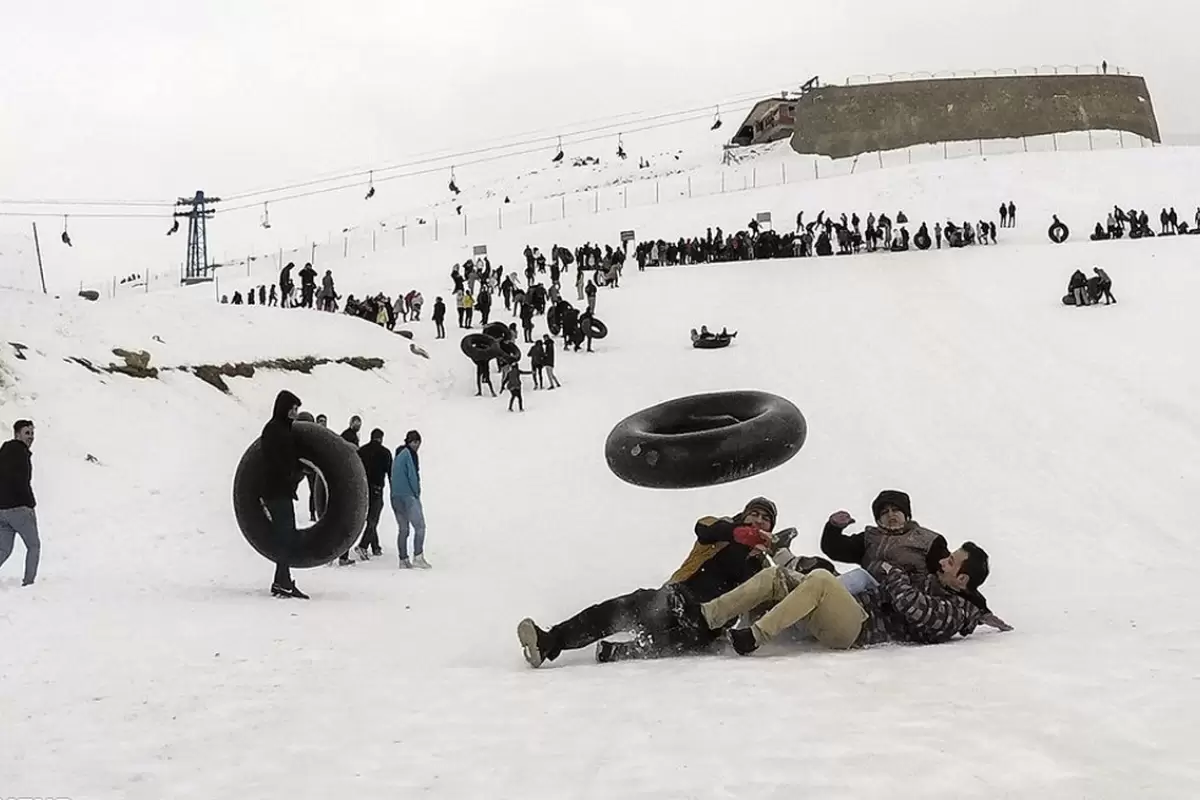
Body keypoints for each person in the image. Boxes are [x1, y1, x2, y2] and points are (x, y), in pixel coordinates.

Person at [518, 498, 798, 668]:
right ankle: (550, 640)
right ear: (744, 514)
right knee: (619, 610)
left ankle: (619, 652)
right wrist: (739, 533)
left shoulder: (762, 566)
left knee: (687, 638)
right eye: (755, 514)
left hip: (705, 625)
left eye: (766, 519)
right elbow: (704, 528)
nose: (759, 521)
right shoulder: (721, 529)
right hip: (677, 598)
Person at [676, 540, 1001, 656]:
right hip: (851, 610)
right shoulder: (933, 582)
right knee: (776, 576)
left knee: (820, 579)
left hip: (858, 631)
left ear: (962, 579)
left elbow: (915, 609)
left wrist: (895, 574)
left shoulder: (957, 610)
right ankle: (706, 617)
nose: (944, 561)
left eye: (952, 562)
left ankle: (755, 637)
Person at [259, 391, 309, 598]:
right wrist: (293, 474)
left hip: (282, 491)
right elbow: (275, 462)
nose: (295, 413)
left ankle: (281, 581)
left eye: (297, 409)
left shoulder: (284, 430)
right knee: (286, 536)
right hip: (275, 491)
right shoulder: (273, 430)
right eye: (293, 408)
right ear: (283, 407)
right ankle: (283, 582)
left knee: (285, 536)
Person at [0, 420, 40, 587]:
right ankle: (29, 583)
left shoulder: (3, 453)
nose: (31, 437)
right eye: (27, 433)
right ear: (17, 434)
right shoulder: (20, 453)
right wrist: (29, 503)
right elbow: (21, 481)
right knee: (33, 546)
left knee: (3, 550)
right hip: (20, 508)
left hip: (2, 509)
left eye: (32, 433)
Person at [391, 430, 428, 569]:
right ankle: (418, 556)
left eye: (418, 442)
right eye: (415, 442)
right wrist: (417, 492)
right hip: (408, 496)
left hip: (395, 497)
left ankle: (403, 559)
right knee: (420, 527)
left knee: (403, 529)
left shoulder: (398, 455)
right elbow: (412, 475)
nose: (417, 445)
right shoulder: (410, 455)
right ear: (409, 442)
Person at [354, 428, 392, 560]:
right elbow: (390, 473)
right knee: (373, 518)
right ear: (381, 438)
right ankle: (363, 545)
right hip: (376, 489)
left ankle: (375, 547)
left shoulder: (362, 451)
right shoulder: (385, 453)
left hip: (363, 488)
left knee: (370, 517)